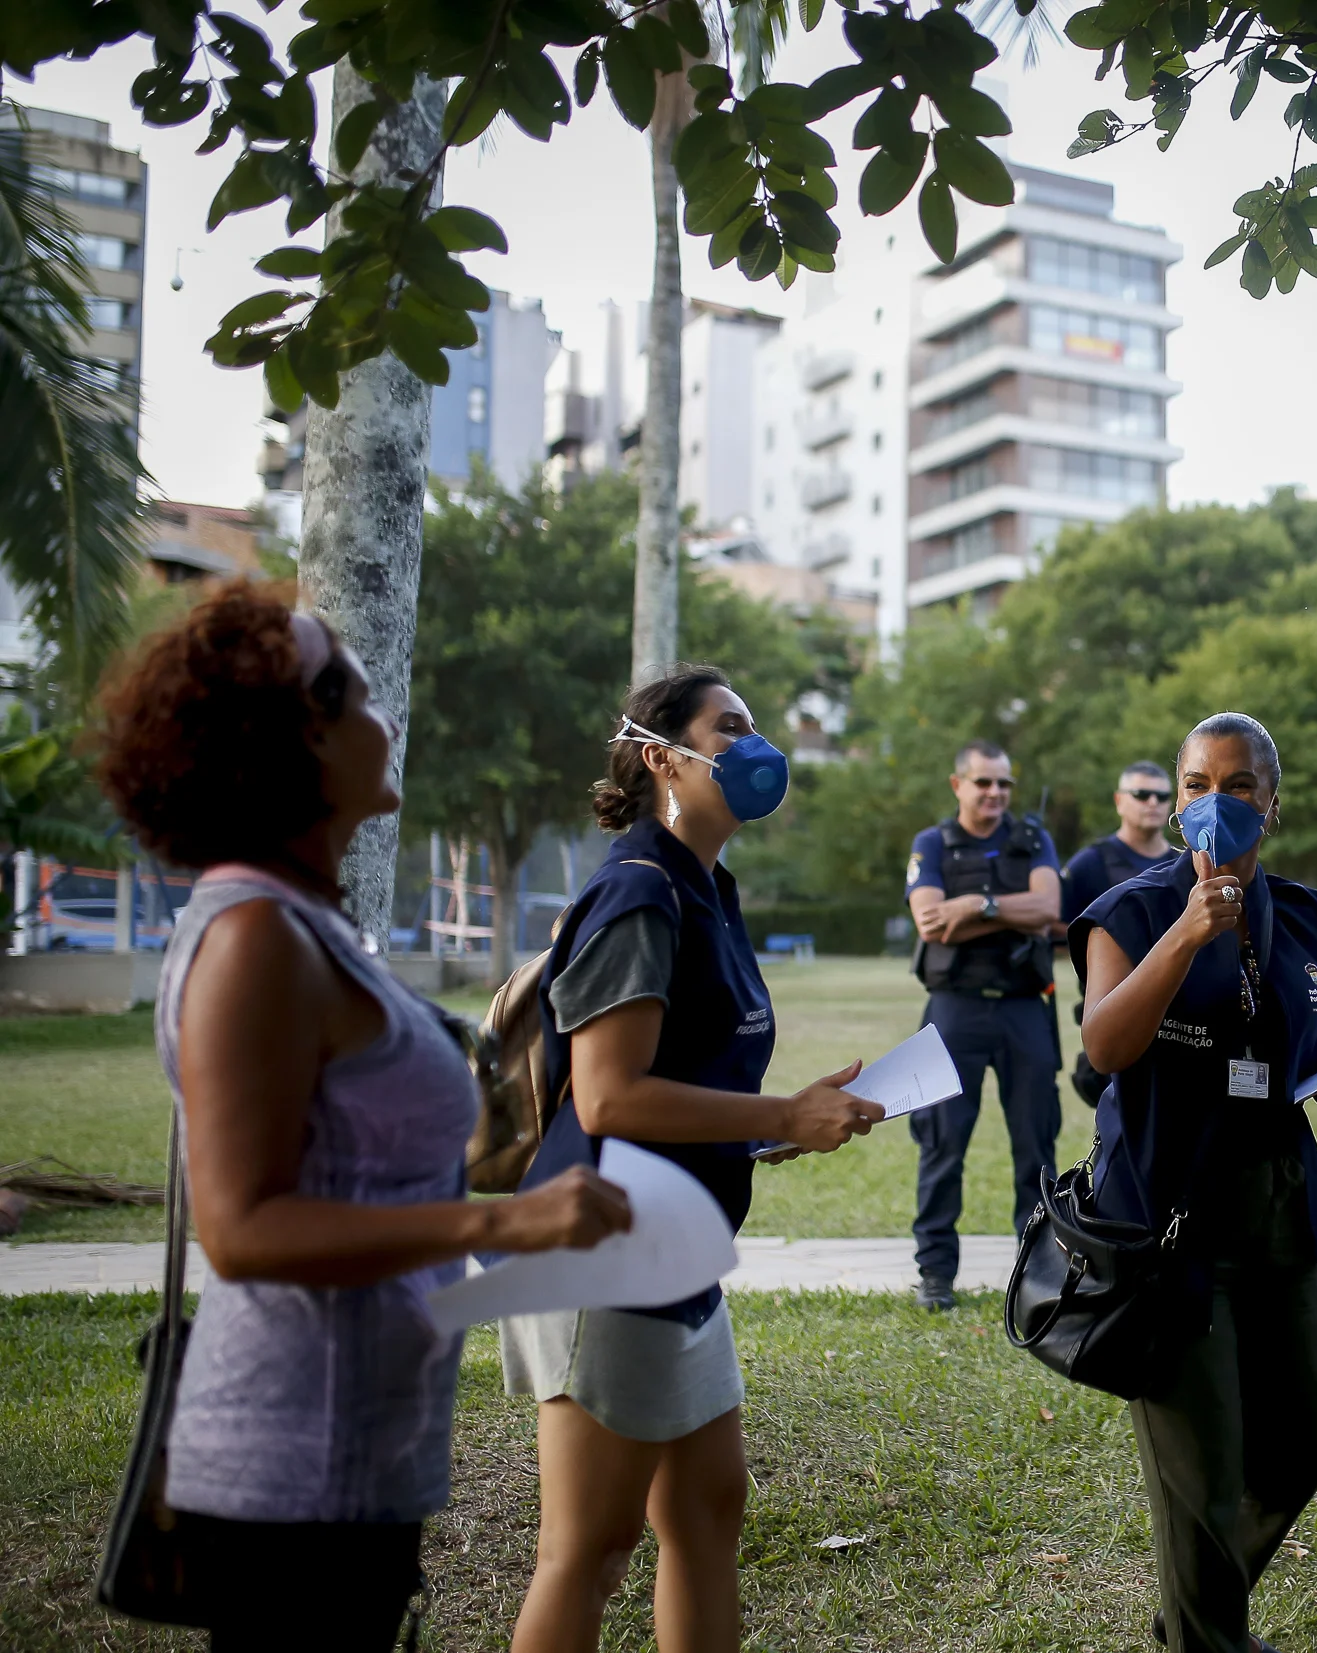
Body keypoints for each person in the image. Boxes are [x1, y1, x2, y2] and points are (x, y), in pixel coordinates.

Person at [94, 584, 632, 1648]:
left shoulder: (305, 922)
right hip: (295, 1473)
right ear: (291, 732)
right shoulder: (253, 938)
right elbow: (243, 1230)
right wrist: (501, 1223)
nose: (387, 719)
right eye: (360, 695)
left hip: (356, 1458)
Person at [504, 665, 884, 1652]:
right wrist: (777, 1112)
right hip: (599, 1247)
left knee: (708, 1508)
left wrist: (780, 1123)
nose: (756, 746)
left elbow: (684, 1075)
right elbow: (608, 1097)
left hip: (676, 1249)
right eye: (730, 728)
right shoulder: (639, 894)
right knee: (589, 1547)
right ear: (660, 754)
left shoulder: (708, 887)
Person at [1075, 713, 1317, 1653]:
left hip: (1279, 1210)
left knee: (1301, 1447)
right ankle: (1209, 1636)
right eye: (1197, 784)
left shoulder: (1309, 915)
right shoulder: (1132, 909)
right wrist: (1188, 936)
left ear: (1272, 803)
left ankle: (1193, 1616)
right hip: (1168, 1225)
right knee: (1202, 1482)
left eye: (1239, 787)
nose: (1214, 803)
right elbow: (1107, 1046)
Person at [904, 739, 1065, 1309]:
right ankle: (936, 1276)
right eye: (983, 783)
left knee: (1035, 1144)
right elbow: (930, 925)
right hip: (956, 1010)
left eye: (1004, 784)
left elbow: (1049, 911)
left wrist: (973, 907)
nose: (995, 793)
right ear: (958, 786)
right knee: (943, 1145)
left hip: (1025, 1009)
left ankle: (1038, 1274)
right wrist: (1008, 913)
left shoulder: (1033, 840)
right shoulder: (933, 843)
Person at [1062, 760, 1181, 1105]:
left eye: (1161, 796)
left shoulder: (1185, 863)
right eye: (1141, 794)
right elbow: (1059, 926)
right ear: (1119, 800)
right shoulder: (1091, 863)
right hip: (1115, 1008)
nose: (1152, 803)